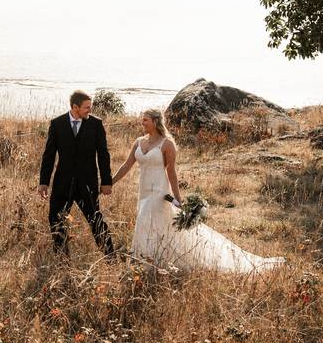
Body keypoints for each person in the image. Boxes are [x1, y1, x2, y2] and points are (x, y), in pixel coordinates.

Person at [111, 108, 285, 273]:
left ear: (156, 122)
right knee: (150, 224)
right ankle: (152, 261)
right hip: (143, 191)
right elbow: (127, 165)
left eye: (145, 120)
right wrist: (110, 182)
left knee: (146, 220)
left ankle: (146, 262)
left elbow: (171, 172)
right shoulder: (139, 142)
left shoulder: (167, 144)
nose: (142, 123)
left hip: (159, 190)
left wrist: (178, 199)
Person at [39, 90, 116, 258]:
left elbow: (103, 154)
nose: (90, 110)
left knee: (95, 220)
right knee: (55, 219)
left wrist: (106, 181)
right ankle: (62, 259)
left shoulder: (96, 124)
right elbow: (49, 155)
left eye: (90, 107)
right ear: (75, 107)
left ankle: (111, 257)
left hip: (87, 183)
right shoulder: (57, 124)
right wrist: (43, 182)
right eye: (86, 107)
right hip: (62, 183)